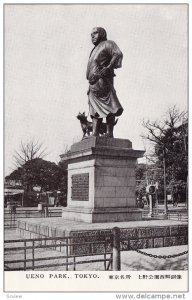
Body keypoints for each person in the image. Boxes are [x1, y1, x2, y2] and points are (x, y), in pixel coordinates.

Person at [86, 27, 124, 137]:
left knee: (110, 106)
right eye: (91, 34)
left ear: (102, 34)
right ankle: (95, 132)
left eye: (95, 33)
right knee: (94, 110)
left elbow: (118, 54)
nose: (92, 36)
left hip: (103, 81)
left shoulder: (108, 44)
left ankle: (109, 132)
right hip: (93, 84)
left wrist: (108, 67)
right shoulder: (94, 49)